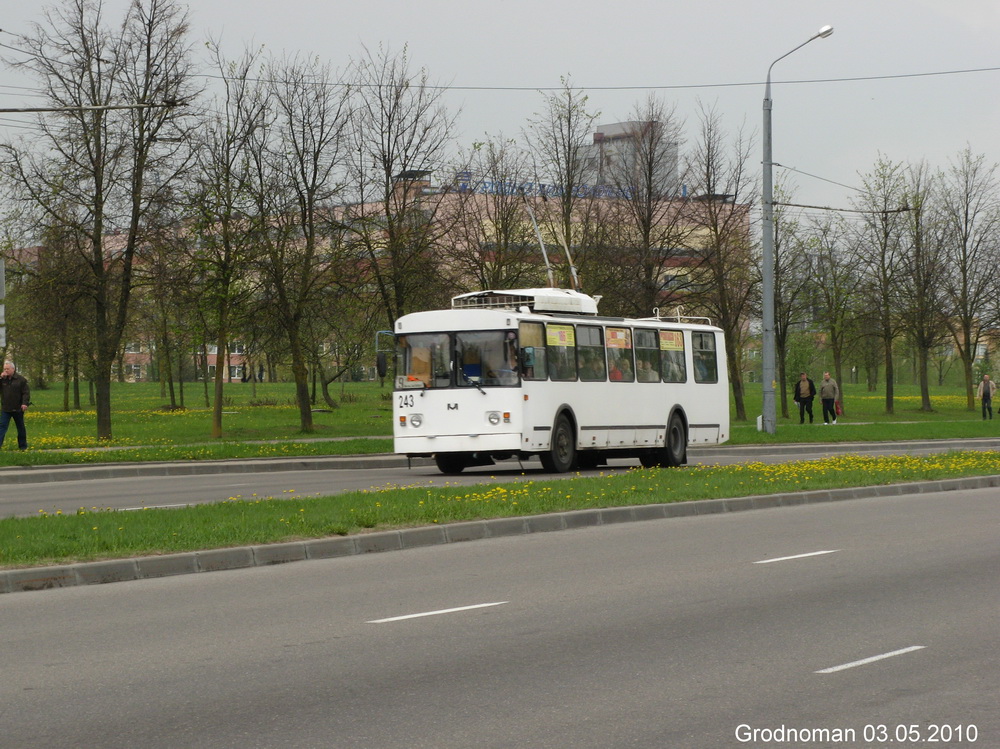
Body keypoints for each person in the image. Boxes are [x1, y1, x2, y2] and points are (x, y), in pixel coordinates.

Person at [0, 361, 30, 450]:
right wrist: (0, 378)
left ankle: (23, 447)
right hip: (6, 408)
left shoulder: (21, 380)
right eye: (4, 369)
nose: (6, 370)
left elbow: (26, 393)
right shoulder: (2, 380)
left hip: (18, 408)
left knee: (20, 427)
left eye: (7, 369)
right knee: (2, 427)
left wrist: (24, 403)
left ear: (13, 369)